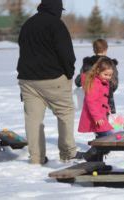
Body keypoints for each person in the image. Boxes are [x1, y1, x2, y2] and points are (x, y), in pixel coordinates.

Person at [17, 0, 81, 164]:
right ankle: (68, 154)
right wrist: (69, 73)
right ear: (57, 8)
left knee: (33, 119)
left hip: (27, 80)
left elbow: (23, 52)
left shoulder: (27, 24)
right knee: (65, 114)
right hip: (53, 78)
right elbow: (66, 53)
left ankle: (36, 158)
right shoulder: (56, 24)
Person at [78, 57, 115, 161]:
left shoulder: (102, 81)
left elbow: (101, 99)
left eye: (110, 75)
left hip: (100, 116)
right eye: (106, 74)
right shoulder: (94, 83)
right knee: (108, 138)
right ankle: (89, 156)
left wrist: (106, 108)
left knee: (103, 139)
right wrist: (97, 117)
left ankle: (96, 161)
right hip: (96, 117)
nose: (108, 77)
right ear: (98, 71)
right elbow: (91, 101)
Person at [75, 39, 119, 114]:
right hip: (106, 99)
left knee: (91, 119)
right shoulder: (110, 64)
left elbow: (79, 81)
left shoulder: (88, 63)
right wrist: (108, 90)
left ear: (94, 49)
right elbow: (114, 83)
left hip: (90, 99)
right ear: (106, 49)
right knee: (104, 121)